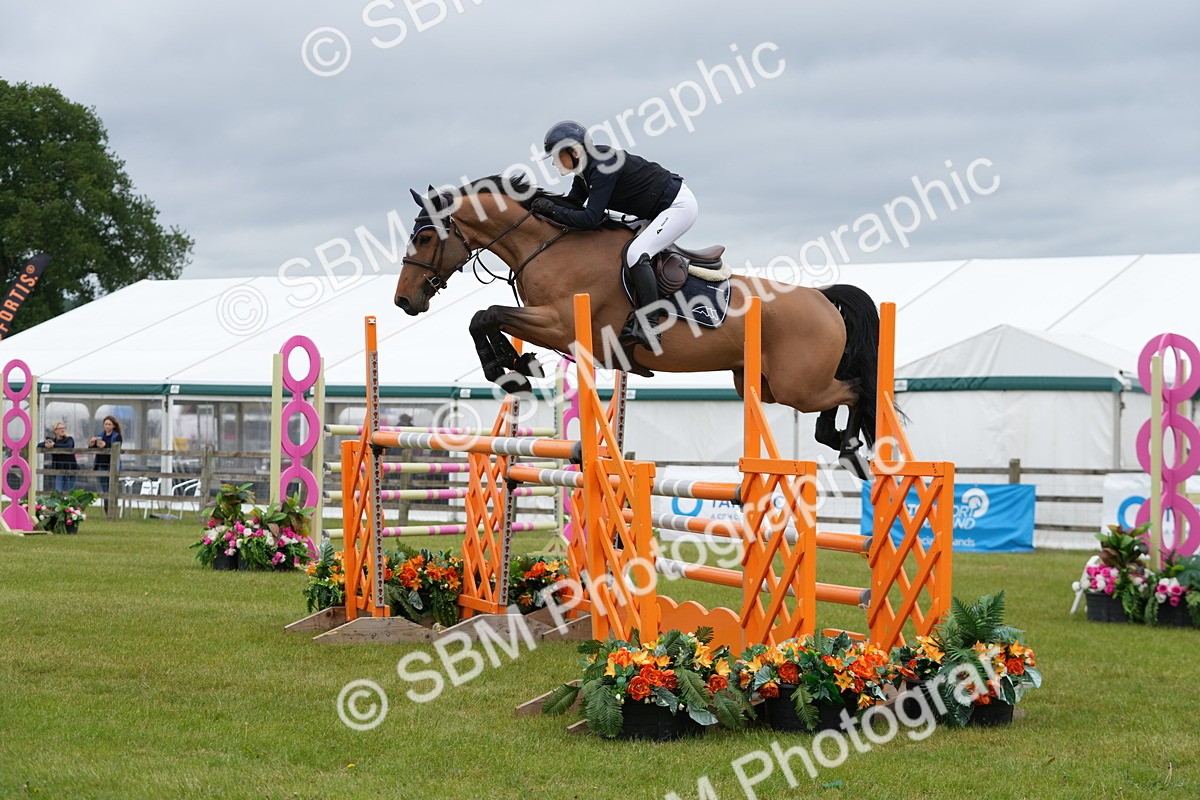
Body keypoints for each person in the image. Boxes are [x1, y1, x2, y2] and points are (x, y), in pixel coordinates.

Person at [530, 120, 699, 350]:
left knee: (636, 253)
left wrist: (550, 209)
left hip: (677, 206)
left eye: (557, 155)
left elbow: (590, 218)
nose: (553, 161)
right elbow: (574, 205)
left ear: (574, 150)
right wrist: (537, 203)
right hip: (653, 211)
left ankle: (650, 325)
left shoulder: (601, 166)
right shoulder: (584, 170)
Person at [37, 421, 78, 493]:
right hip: (59, 470)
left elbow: (68, 446)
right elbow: (39, 445)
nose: (62, 430)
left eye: (63, 428)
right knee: (58, 492)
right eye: (60, 428)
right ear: (55, 430)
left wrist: (54, 446)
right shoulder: (53, 441)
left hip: (71, 469)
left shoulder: (69, 439)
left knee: (70, 494)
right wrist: (46, 445)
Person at [89, 415, 123, 497]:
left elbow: (116, 449)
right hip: (101, 464)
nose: (107, 426)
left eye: (109, 424)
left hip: (112, 465)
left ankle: (110, 507)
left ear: (113, 425)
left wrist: (105, 446)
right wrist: (91, 444)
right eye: (106, 424)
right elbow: (93, 449)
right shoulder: (100, 435)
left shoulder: (117, 436)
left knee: (112, 488)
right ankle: (107, 507)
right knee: (105, 489)